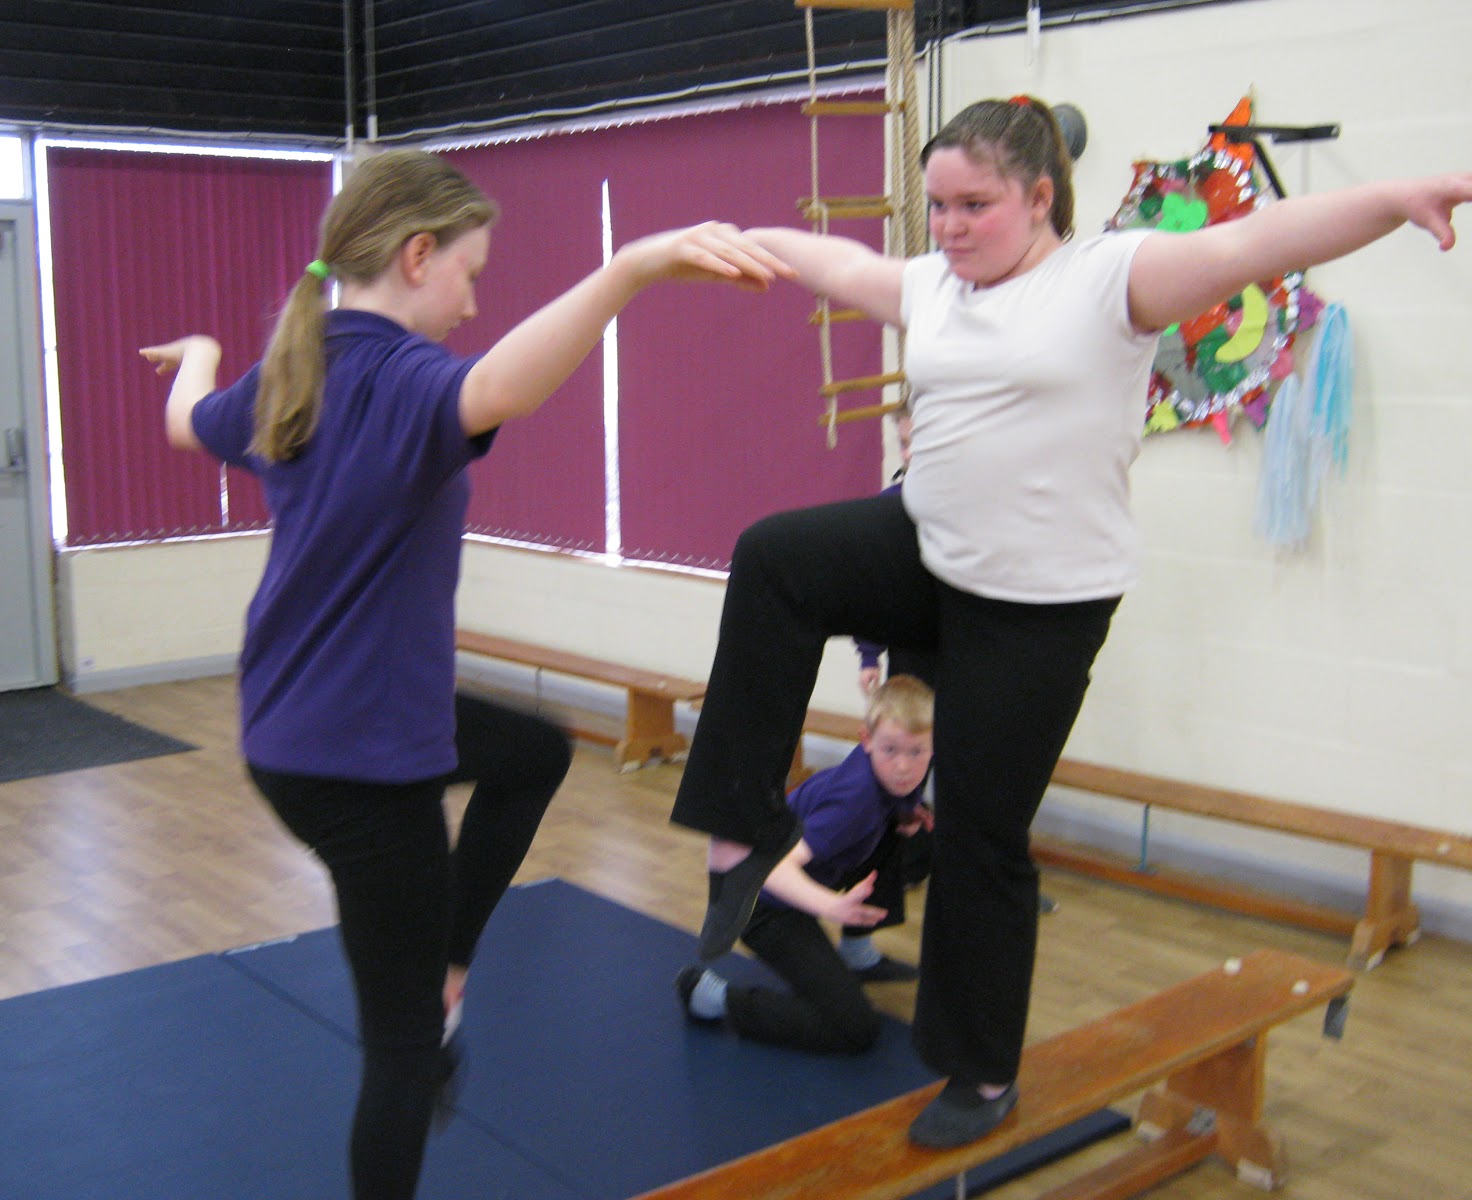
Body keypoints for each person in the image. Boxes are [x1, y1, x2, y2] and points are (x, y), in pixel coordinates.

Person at [671, 96, 1472, 1148]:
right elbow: (825, 261)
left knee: (978, 834)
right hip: (927, 547)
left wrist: (1394, 196)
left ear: (1039, 196)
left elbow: (1260, 237)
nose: (948, 227)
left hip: (1038, 608)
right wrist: (719, 242)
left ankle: (981, 1073)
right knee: (776, 556)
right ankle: (743, 831)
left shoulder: (1109, 279)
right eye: (938, 206)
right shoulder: (934, 285)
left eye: (974, 205)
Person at [139, 148, 791, 1200]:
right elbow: (506, 386)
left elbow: (183, 419)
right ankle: (432, 997)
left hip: (294, 728)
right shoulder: (400, 383)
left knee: (529, 752)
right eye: (470, 273)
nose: (475, 300)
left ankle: (445, 963)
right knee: (402, 1054)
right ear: (414, 255)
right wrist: (627, 269)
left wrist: (204, 350)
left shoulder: (287, 376)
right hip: (360, 765)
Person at [675, 675, 935, 1053]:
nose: (903, 767)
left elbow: (900, 785)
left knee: (899, 825)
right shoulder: (854, 804)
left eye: (916, 752)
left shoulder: (894, 775)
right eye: (891, 750)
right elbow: (772, 869)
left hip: (792, 881)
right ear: (866, 741)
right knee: (855, 1029)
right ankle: (712, 997)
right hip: (758, 902)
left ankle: (856, 954)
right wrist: (832, 907)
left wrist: (906, 813)